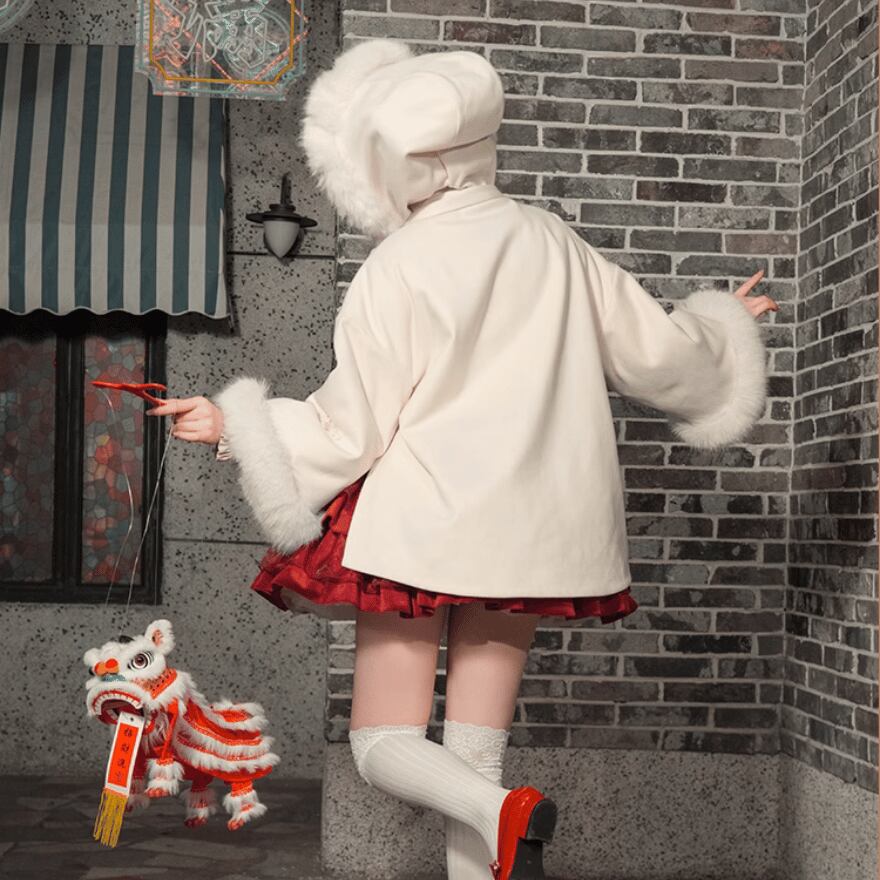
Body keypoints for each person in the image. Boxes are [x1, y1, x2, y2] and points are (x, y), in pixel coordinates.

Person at [147, 38, 778, 880]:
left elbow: (350, 427)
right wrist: (723, 325)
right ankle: (500, 815)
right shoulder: (553, 241)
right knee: (476, 753)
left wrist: (234, 423)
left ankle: (505, 813)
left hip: (423, 532)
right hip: (535, 534)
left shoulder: (397, 266)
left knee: (384, 742)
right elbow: (657, 354)